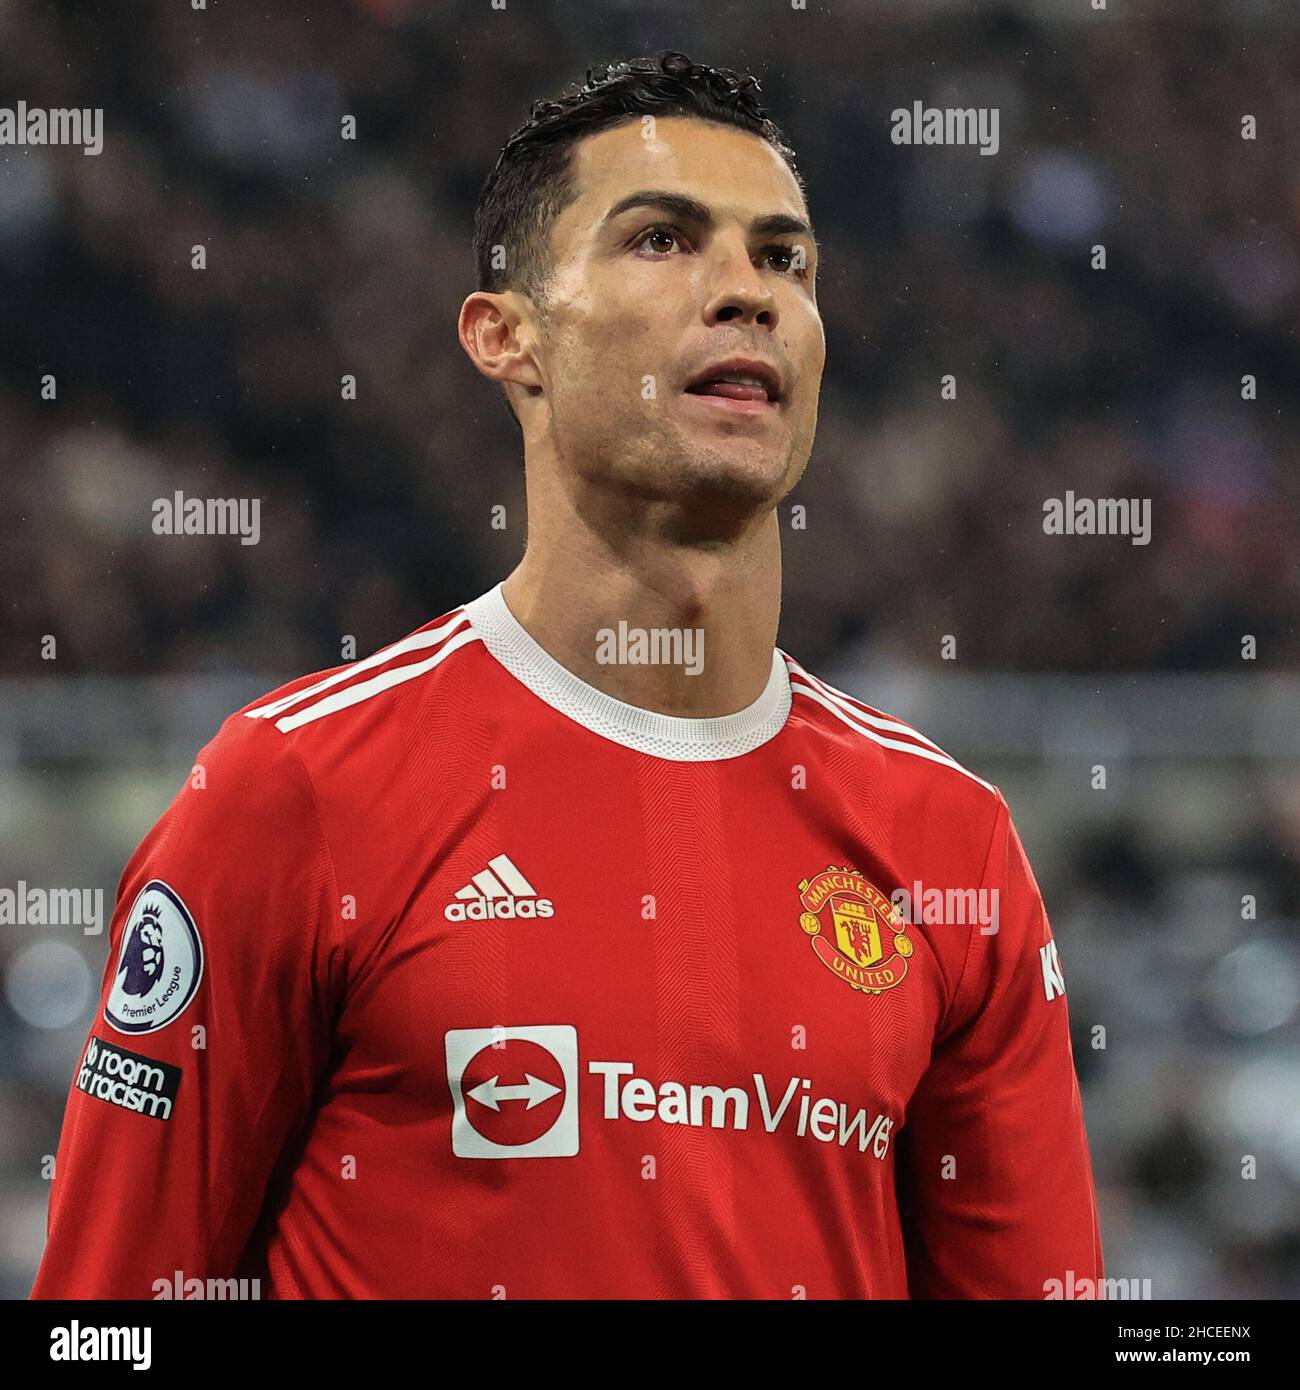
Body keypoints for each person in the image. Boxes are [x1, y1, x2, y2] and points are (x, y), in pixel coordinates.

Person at [32, 51, 1102, 1299]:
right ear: (507, 338)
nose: (746, 293)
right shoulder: (297, 791)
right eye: (662, 239)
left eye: (783, 258)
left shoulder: (950, 843)